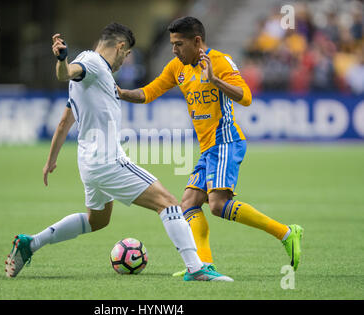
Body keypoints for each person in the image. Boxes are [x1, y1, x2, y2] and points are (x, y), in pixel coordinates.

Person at [5, 22, 233, 282]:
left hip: (89, 164)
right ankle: (196, 269)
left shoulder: (89, 75)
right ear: (121, 46)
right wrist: (61, 58)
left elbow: (63, 121)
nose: (124, 62)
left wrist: (51, 160)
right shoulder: (92, 63)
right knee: (169, 203)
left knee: (97, 221)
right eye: (126, 56)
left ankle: (31, 243)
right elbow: (65, 73)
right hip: (108, 162)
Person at [117, 17, 304, 277]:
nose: (174, 50)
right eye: (172, 44)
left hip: (226, 141)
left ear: (197, 41)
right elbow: (149, 92)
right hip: (208, 149)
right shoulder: (176, 68)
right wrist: (121, 93)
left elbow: (246, 98)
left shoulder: (220, 61)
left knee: (217, 205)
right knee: (189, 204)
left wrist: (215, 80)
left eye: (179, 44)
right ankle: (205, 265)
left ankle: (285, 232)